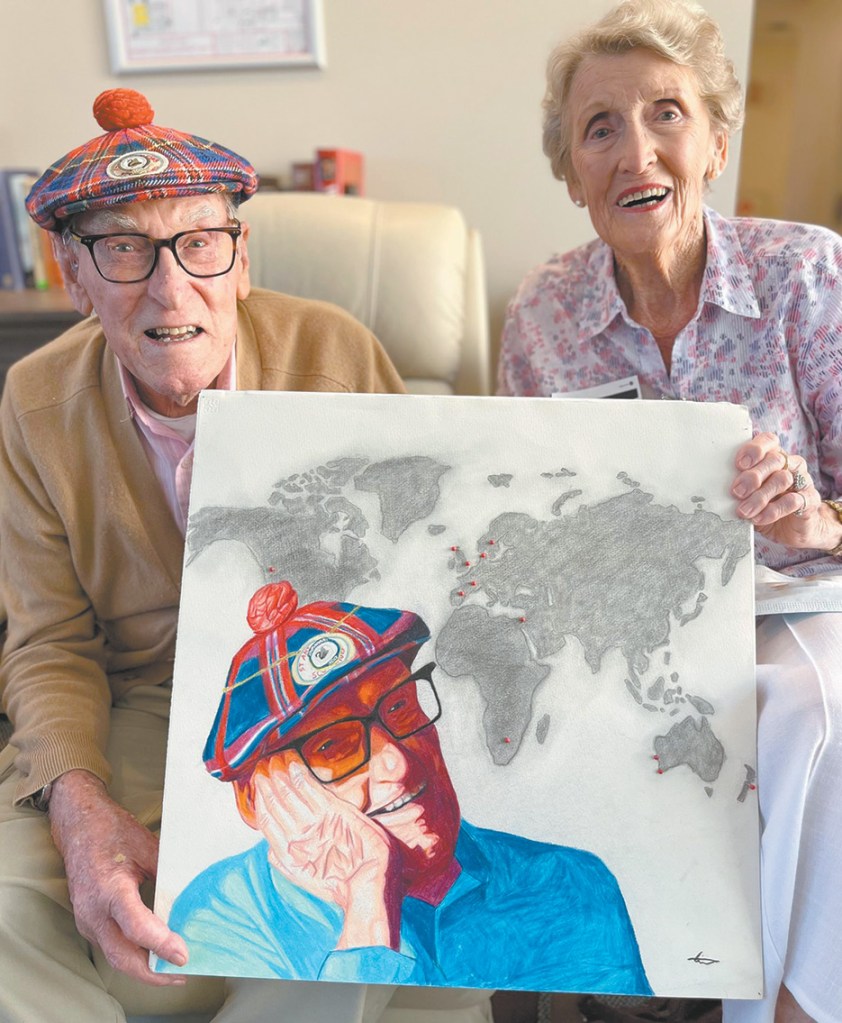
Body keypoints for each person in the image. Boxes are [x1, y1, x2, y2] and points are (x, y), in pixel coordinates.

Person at [0, 89, 490, 1023]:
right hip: (140, 697)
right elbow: (48, 643)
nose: (170, 287)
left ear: (241, 257)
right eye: (124, 250)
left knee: (359, 889)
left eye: (199, 243)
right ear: (75, 275)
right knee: (9, 907)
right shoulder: (33, 402)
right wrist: (79, 805)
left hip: (329, 695)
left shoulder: (335, 354)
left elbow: (428, 569)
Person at [498, 3, 842, 1023]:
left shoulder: (806, 274)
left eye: (666, 114)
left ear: (715, 143)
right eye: (598, 128)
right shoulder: (542, 312)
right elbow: (516, 508)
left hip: (795, 600)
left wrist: (815, 521)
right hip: (623, 624)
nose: (634, 151)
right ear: (571, 173)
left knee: (804, 712)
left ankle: (787, 1006)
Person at [158, 580, 652, 995]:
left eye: (399, 707)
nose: (396, 765)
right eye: (333, 745)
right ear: (255, 799)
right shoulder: (218, 920)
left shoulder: (569, 886)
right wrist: (367, 908)